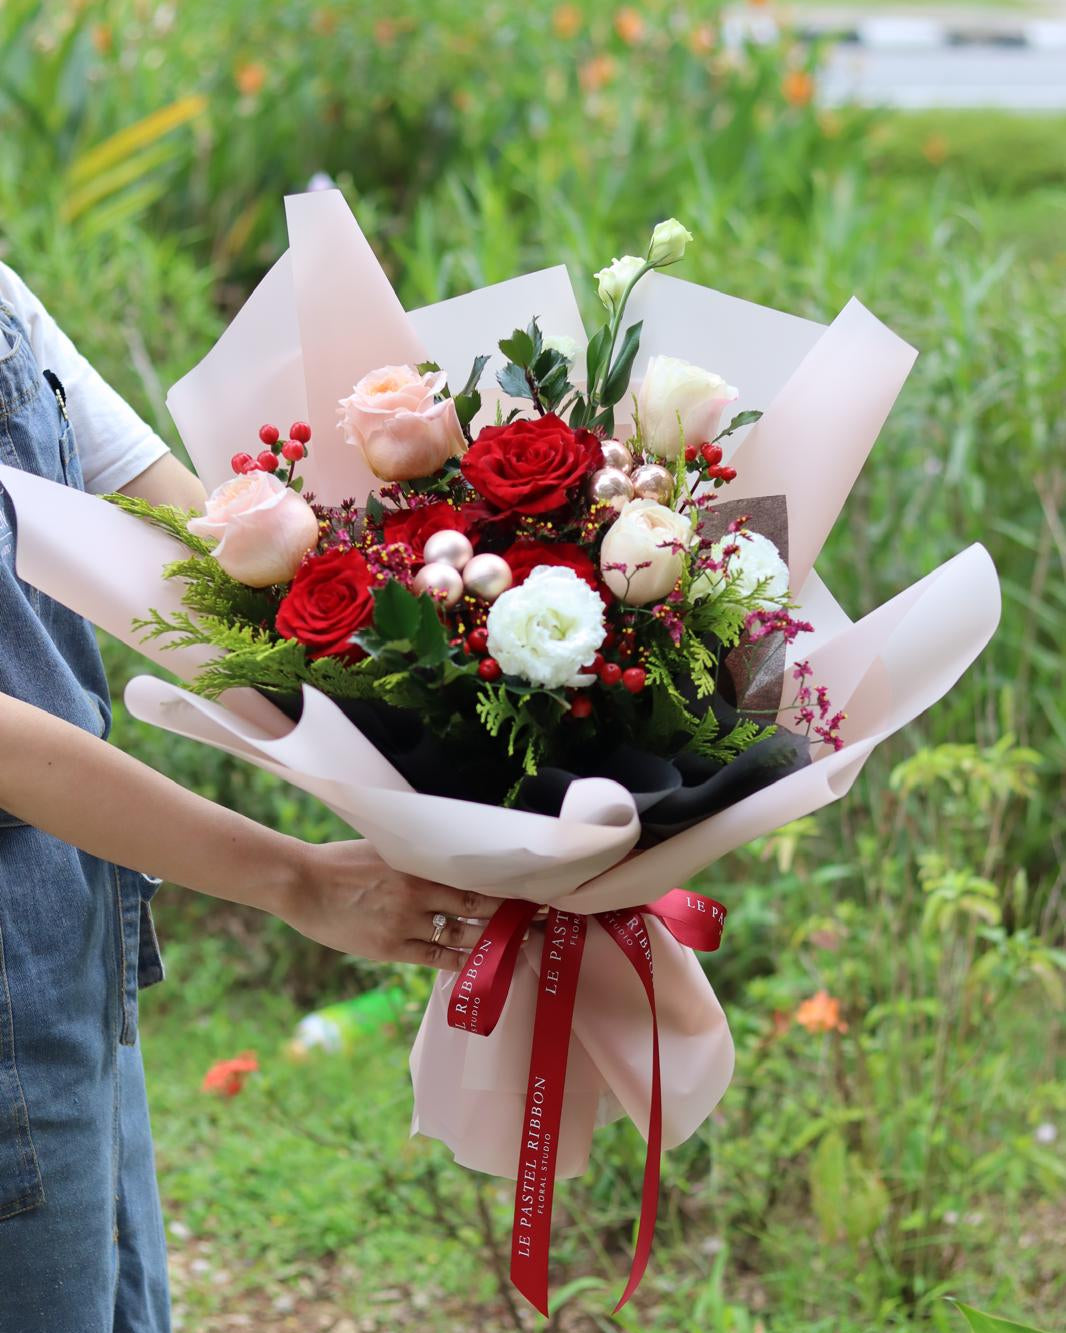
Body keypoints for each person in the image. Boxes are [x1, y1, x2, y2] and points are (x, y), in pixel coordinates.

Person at [0, 263, 499, 1332]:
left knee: (117, 1296)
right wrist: (299, 876)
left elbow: (187, 540)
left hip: (74, 903)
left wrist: (462, 691)